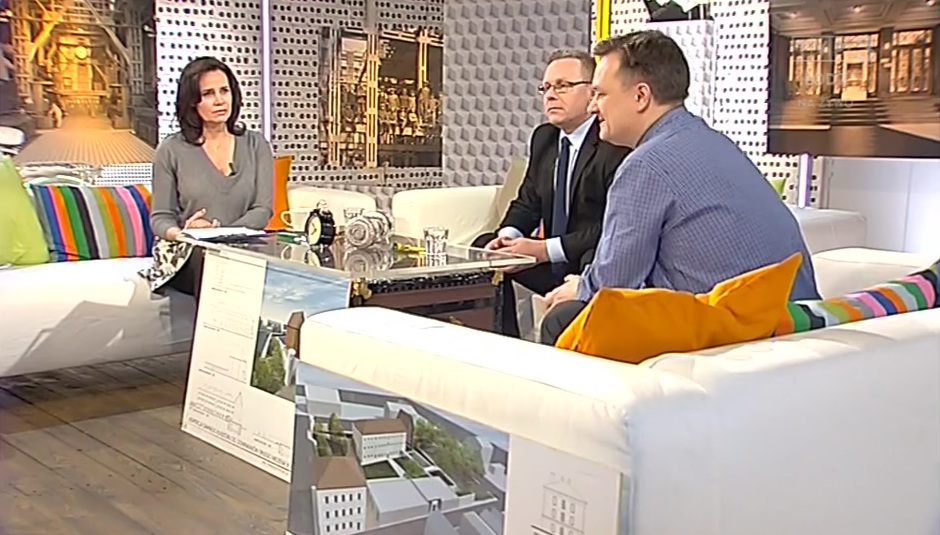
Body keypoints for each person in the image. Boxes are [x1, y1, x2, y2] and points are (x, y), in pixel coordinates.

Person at [540, 30, 820, 345]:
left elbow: (614, 285)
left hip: (740, 336)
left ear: (641, 96)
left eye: (600, 94)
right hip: (797, 325)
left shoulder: (646, 165)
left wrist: (579, 287)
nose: (593, 107)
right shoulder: (714, 141)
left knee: (565, 317)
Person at [472, 49, 631, 337]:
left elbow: (611, 228)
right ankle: (503, 341)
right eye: (545, 88)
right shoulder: (544, 137)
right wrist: (508, 238)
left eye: (562, 86)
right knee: (485, 250)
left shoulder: (613, 142)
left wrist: (544, 250)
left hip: (587, 260)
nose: (550, 95)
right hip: (548, 260)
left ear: (592, 92)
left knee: (592, 256)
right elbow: (527, 201)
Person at [144, 56, 274, 298]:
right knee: (213, 266)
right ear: (192, 102)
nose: (220, 100)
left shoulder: (256, 145)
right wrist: (186, 234)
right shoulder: (171, 149)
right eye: (208, 94)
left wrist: (219, 235)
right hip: (189, 252)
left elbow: (263, 210)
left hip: (242, 249)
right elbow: (160, 218)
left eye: (224, 91)